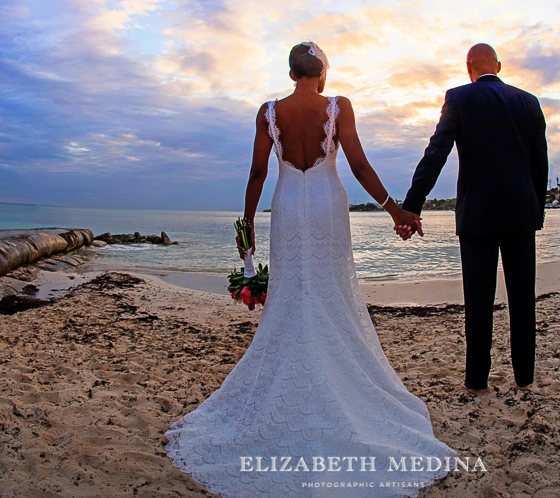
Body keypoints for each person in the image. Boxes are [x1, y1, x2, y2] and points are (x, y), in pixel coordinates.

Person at [164, 42, 455, 497]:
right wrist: (396, 211)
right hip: (325, 207)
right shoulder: (338, 106)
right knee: (331, 292)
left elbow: (258, 172)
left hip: (287, 209)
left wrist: (246, 226)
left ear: (290, 71)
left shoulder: (269, 111)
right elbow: (357, 164)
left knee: (290, 293)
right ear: (321, 72)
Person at [399, 43, 548, 395]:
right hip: (521, 214)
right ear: (498, 65)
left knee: (479, 301)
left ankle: (477, 381)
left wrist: (411, 207)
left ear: (469, 67)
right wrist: (536, 210)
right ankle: (524, 377)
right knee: (523, 298)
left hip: (478, 215)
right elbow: (539, 163)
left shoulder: (460, 98)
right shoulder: (529, 101)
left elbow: (435, 154)